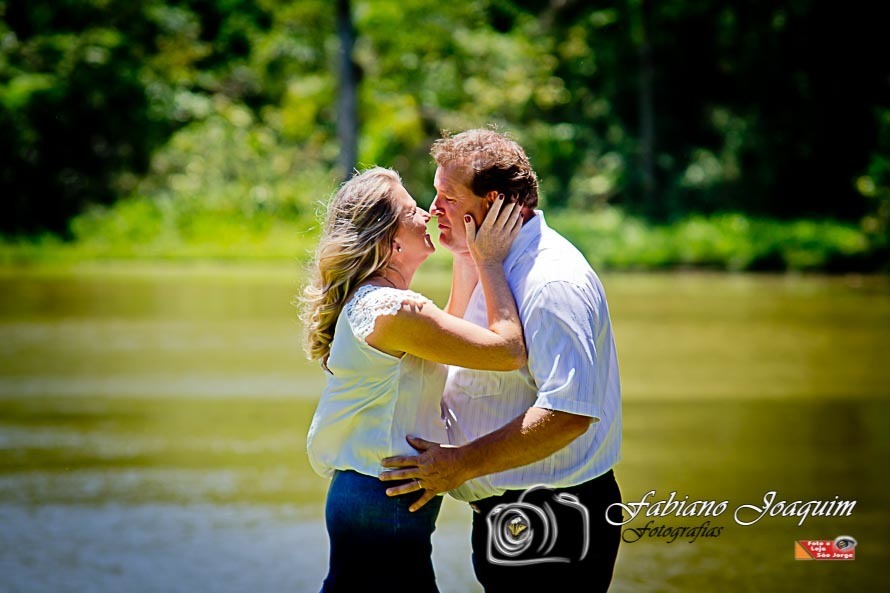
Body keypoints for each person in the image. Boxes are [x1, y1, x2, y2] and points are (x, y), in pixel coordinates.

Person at [379, 129, 623, 593]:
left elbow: (569, 414)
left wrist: (460, 464)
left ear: (491, 202)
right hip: (514, 518)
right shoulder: (492, 261)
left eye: (448, 198)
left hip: (554, 520)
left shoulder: (550, 282)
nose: (433, 209)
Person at [301, 166, 527, 593]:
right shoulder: (394, 311)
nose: (426, 213)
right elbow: (508, 351)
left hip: (374, 496)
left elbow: (450, 333)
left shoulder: (382, 305)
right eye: (411, 210)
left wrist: (466, 249)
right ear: (390, 241)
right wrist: (489, 260)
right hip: (380, 501)